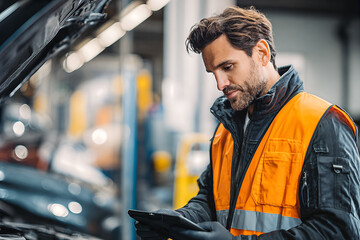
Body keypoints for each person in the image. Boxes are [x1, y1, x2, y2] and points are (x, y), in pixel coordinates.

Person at [135, 6, 360, 240]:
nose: (220, 84)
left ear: (262, 53)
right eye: (213, 72)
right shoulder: (226, 129)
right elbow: (210, 200)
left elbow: (337, 231)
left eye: (227, 67)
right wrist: (176, 221)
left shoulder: (322, 123)